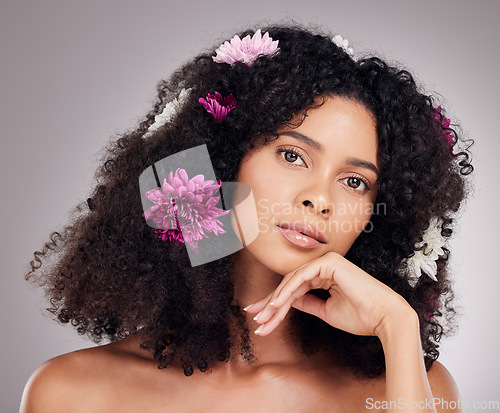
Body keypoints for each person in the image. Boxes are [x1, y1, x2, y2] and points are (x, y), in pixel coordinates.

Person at [20, 25, 474, 412]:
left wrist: (397, 328)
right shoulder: (71, 392)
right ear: (224, 158)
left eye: (355, 181)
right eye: (293, 155)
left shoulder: (414, 389)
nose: (319, 198)